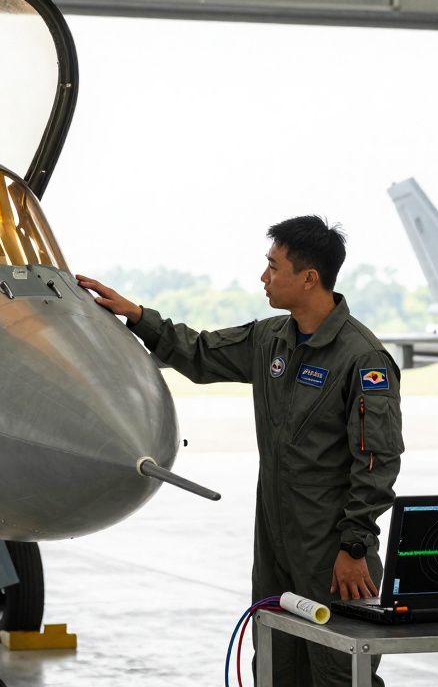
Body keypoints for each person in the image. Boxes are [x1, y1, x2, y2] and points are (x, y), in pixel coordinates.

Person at [77, 215, 403, 687]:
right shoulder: (270, 338)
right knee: (275, 665)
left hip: (331, 551)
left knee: (339, 672)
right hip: (274, 540)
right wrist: (137, 315)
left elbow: (378, 459)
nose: (263, 277)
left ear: (309, 277)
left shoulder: (362, 358)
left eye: (273, 266)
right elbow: (201, 351)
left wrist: (354, 546)